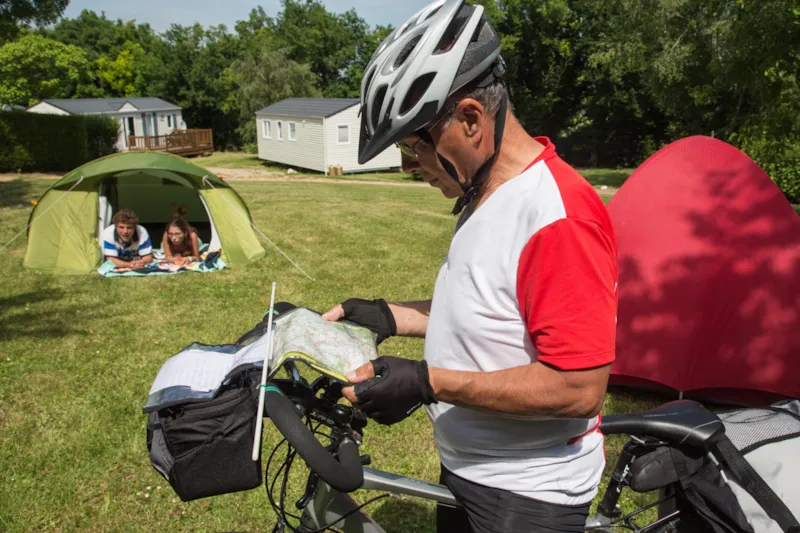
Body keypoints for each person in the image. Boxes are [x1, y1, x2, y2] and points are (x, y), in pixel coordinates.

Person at [322, 1, 618, 532]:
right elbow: (491, 311)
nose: (412, 169)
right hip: (469, 469)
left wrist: (428, 382)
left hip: (527, 495)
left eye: (415, 149)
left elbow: (578, 387)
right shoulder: (486, 194)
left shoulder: (556, 215)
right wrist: (390, 315)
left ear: (471, 119)